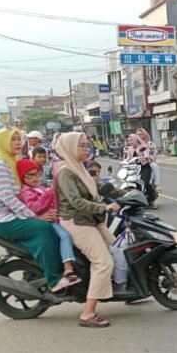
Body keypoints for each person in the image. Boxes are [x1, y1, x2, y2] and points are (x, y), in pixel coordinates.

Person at [0, 128, 75, 292]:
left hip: (8, 215)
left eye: (18, 139)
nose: (17, 142)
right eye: (12, 139)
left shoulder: (9, 161)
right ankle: (55, 279)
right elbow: (8, 198)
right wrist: (35, 217)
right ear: (1, 142)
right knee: (43, 228)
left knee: (47, 227)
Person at [55, 132, 121, 328]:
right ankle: (88, 312)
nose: (86, 149)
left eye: (87, 145)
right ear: (69, 148)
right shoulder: (66, 172)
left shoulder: (80, 169)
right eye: (81, 146)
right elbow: (76, 202)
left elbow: (98, 188)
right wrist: (104, 208)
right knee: (104, 263)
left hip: (91, 220)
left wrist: (130, 194)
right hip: (77, 222)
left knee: (118, 249)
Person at [17, 159, 78, 281]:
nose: (35, 178)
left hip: (55, 218)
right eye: (30, 175)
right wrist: (49, 192)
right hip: (47, 222)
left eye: (37, 174)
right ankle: (67, 267)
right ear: (22, 177)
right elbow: (35, 207)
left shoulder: (39, 187)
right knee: (65, 236)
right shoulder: (26, 191)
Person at [126, 133, 157, 207]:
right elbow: (128, 158)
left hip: (144, 167)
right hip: (133, 168)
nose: (130, 142)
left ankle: (152, 197)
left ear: (136, 139)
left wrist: (145, 157)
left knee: (145, 182)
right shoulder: (130, 148)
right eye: (129, 140)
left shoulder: (143, 147)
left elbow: (146, 154)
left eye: (131, 140)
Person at [135, 128, 161, 193]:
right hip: (136, 163)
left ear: (145, 135)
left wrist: (150, 158)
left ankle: (156, 184)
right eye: (137, 135)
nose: (139, 136)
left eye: (141, 134)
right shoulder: (134, 144)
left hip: (147, 162)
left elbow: (155, 153)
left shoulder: (149, 144)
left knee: (154, 166)